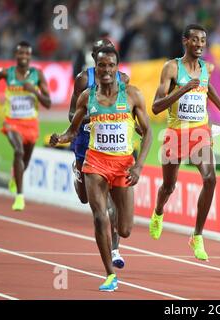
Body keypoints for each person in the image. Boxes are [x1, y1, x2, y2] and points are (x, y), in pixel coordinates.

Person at [50, 46, 152, 291]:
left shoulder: (132, 95)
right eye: (102, 66)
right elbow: (73, 130)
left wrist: (138, 166)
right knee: (99, 217)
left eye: (110, 65)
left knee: (125, 228)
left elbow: (148, 132)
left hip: (123, 164)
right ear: (96, 68)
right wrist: (60, 138)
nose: (106, 70)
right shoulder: (88, 96)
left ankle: (116, 247)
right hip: (95, 162)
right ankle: (109, 274)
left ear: (117, 68)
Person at [150, 24, 220, 261]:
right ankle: (159, 211)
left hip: (199, 133)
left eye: (203, 41)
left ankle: (197, 236)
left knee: (210, 179)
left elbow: (207, 87)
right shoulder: (171, 68)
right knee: (169, 186)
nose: (200, 44)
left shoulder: (206, 67)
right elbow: (156, 107)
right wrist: (182, 90)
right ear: (185, 41)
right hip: (175, 134)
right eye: (195, 40)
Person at [68, 38, 139, 269]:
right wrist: (97, 116)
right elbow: (72, 115)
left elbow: (129, 110)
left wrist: (125, 122)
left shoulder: (124, 80)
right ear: (94, 58)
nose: (105, 61)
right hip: (86, 140)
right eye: (100, 55)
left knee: (111, 205)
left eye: (109, 57)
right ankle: (76, 171)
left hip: (113, 152)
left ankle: (115, 249)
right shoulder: (83, 80)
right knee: (84, 198)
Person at [0, 41, 51, 210]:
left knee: (25, 161)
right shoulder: (7, 73)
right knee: (18, 151)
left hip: (31, 124)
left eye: (26, 54)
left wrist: (34, 91)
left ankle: (14, 176)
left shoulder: (37, 75)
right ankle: (19, 196)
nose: (23, 56)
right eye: (20, 53)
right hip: (12, 122)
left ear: (30, 56)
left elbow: (48, 103)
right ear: (16, 55)